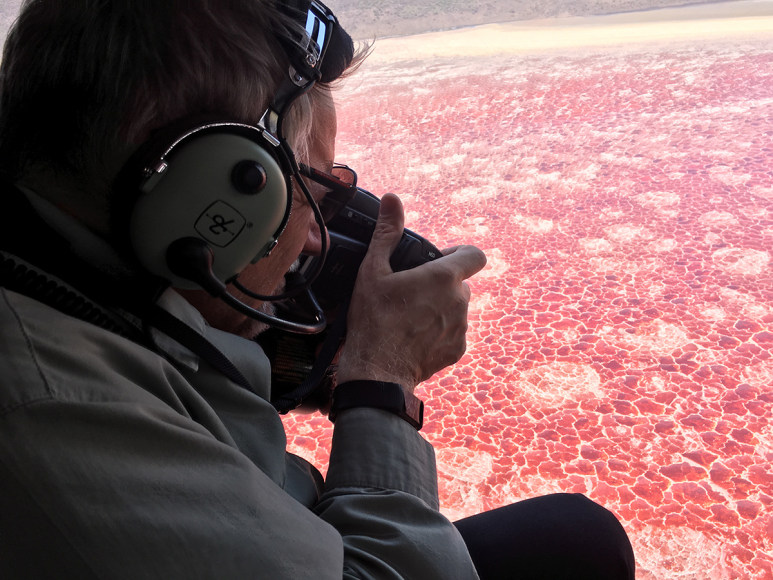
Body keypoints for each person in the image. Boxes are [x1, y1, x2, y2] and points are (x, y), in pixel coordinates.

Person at [0, 1, 635, 578]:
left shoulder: (59, 276)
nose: (313, 241)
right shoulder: (57, 410)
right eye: (308, 192)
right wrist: (381, 384)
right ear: (207, 195)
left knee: (574, 538)